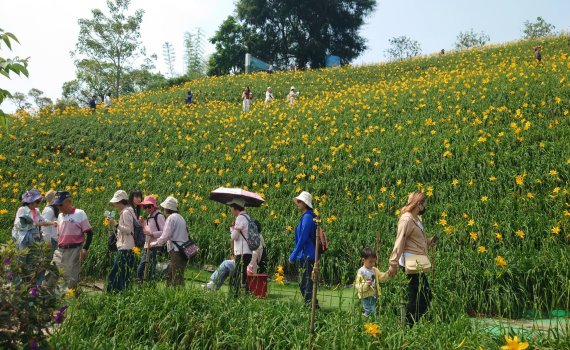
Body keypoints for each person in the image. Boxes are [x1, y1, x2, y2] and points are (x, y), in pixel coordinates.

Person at [387, 192, 436, 325]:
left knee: (418, 296)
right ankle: (408, 324)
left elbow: (414, 241)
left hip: (417, 260)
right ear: (419, 205)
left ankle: (408, 324)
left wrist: (428, 241)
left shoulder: (417, 219)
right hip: (410, 263)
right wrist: (393, 263)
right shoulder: (407, 219)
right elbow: (400, 241)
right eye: (425, 204)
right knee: (423, 297)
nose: (426, 207)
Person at [46, 191, 93, 290]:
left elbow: (89, 233)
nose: (59, 207)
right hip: (60, 250)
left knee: (71, 280)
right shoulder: (60, 216)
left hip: (74, 250)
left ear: (69, 201)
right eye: (57, 205)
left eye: (61, 204)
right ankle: (47, 300)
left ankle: (71, 302)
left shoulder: (80, 213)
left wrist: (85, 249)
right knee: (50, 274)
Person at [151, 196, 190, 286]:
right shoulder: (180, 217)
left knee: (176, 277)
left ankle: (176, 297)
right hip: (183, 250)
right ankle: (169, 295)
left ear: (167, 208)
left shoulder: (171, 218)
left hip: (177, 250)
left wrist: (156, 243)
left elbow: (166, 235)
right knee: (172, 274)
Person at [289, 191, 319, 307]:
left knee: (305, 283)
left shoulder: (307, 217)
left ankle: (311, 306)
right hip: (309, 254)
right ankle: (312, 305)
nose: (298, 203)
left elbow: (303, 238)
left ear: (305, 203)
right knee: (306, 282)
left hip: (307, 254)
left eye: (300, 201)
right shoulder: (310, 216)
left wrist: (293, 255)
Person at [106, 190, 137, 292]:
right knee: (123, 272)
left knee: (116, 271)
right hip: (127, 246)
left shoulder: (126, 212)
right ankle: (123, 292)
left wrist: (115, 224)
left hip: (126, 246)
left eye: (116, 202)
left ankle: (112, 292)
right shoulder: (129, 211)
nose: (115, 204)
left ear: (121, 202)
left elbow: (128, 230)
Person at [136, 195, 165, 282]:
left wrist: (152, 234)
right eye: (145, 207)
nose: (147, 209)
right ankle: (146, 286)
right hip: (148, 245)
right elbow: (147, 232)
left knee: (146, 268)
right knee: (145, 268)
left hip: (155, 245)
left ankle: (146, 286)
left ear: (154, 206)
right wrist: (143, 224)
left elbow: (164, 232)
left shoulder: (159, 216)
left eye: (149, 206)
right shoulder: (149, 217)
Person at [228, 198, 252, 296]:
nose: (231, 210)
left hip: (242, 250)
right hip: (248, 251)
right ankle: (245, 293)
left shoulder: (240, 218)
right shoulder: (247, 217)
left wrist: (232, 229)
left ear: (235, 208)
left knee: (236, 274)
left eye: (231, 208)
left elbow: (234, 236)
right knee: (243, 273)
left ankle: (235, 294)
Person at [354, 247, 389, 317]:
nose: (372, 263)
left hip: (373, 294)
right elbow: (358, 285)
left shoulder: (374, 270)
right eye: (370, 261)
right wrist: (366, 285)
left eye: (374, 261)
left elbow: (381, 277)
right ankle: (366, 322)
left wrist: (388, 274)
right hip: (366, 295)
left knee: (372, 310)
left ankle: (367, 322)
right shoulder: (361, 271)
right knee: (370, 311)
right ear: (363, 260)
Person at [41, 190, 59, 257]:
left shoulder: (54, 208)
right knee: (47, 261)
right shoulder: (48, 210)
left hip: (55, 239)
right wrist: (47, 241)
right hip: (50, 240)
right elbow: (44, 225)